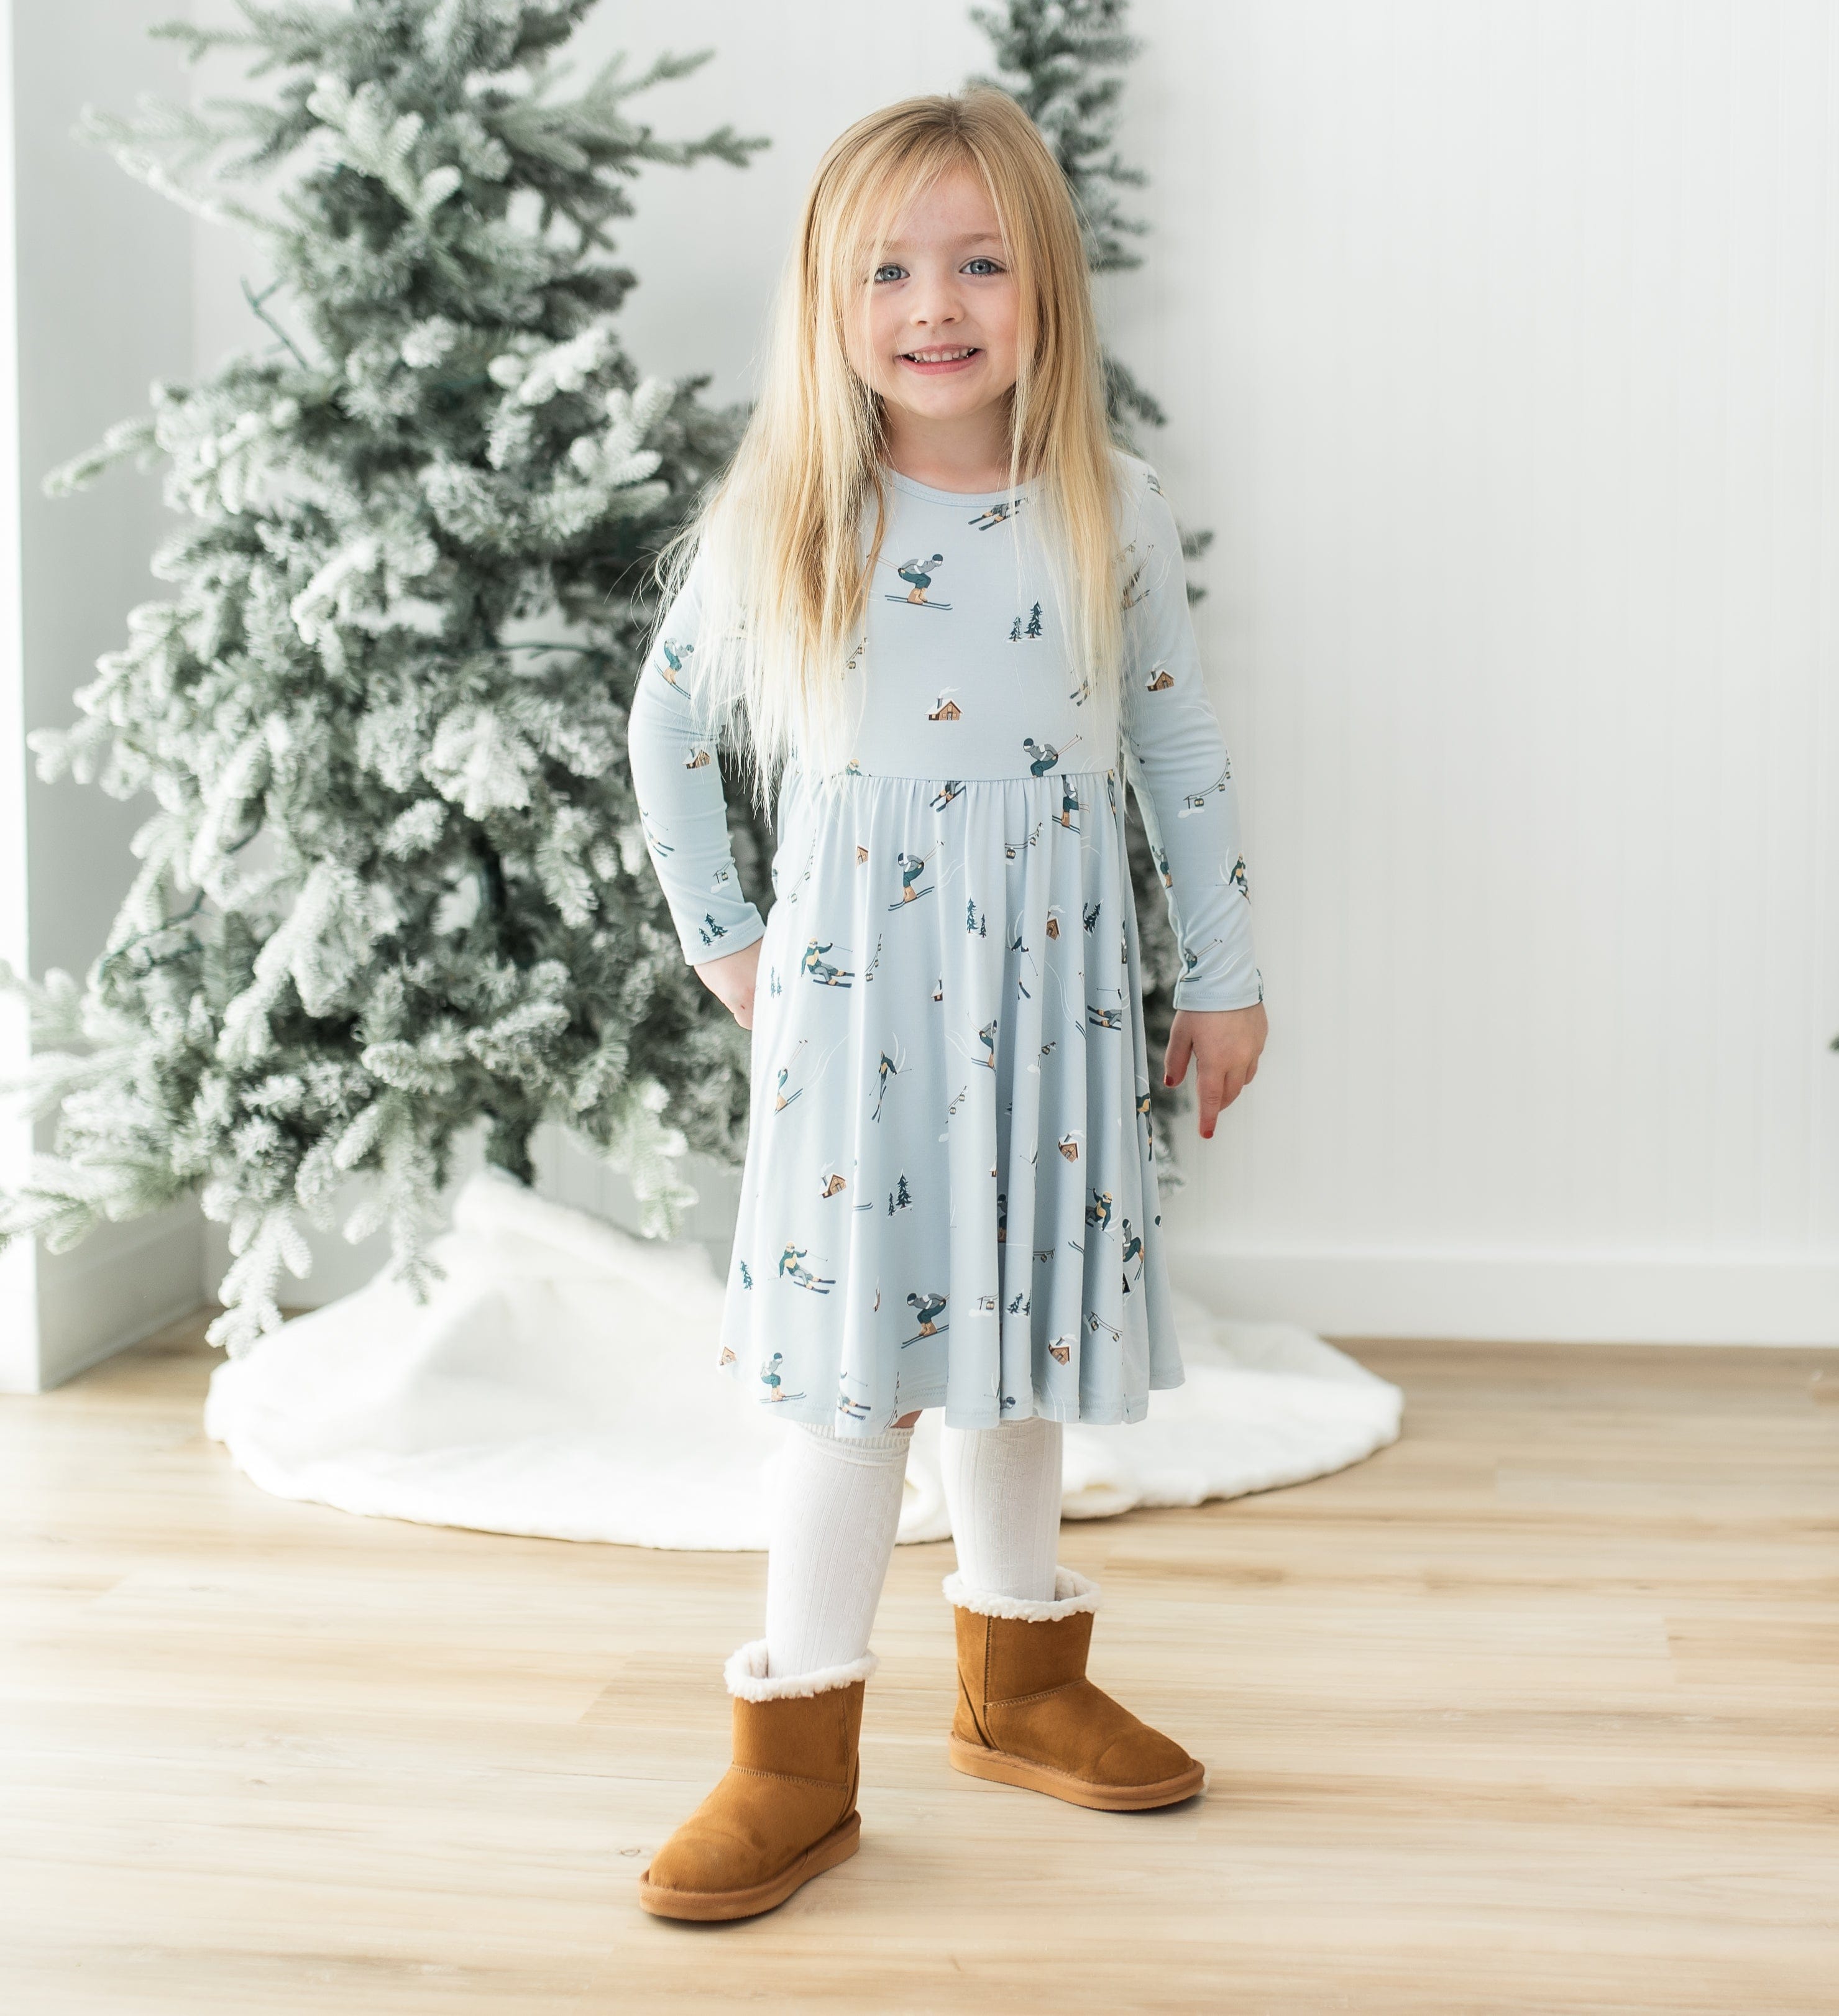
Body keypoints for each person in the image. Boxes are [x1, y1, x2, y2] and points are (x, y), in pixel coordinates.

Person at [626, 86, 1268, 1923]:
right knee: (849, 1378)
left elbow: (1178, 749)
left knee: (1016, 1326)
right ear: (830, 301)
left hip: (1054, 999)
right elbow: (669, 727)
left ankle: (1021, 1683)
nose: (937, 303)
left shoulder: (1108, 506)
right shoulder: (798, 506)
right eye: (891, 268)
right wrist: (727, 942)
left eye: (980, 262)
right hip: (857, 1006)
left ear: (1043, 292)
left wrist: (1219, 977)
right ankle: (792, 1755)